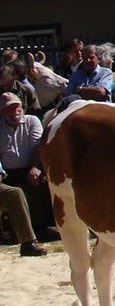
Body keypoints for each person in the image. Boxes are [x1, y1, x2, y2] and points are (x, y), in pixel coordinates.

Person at [1, 92, 55, 243]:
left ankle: (41, 227)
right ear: (3, 112)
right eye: (10, 109)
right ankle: (14, 231)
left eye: (17, 107)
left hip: (30, 166)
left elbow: (37, 147)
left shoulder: (32, 121)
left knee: (40, 181)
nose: (15, 111)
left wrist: (35, 167)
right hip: (8, 172)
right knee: (10, 190)